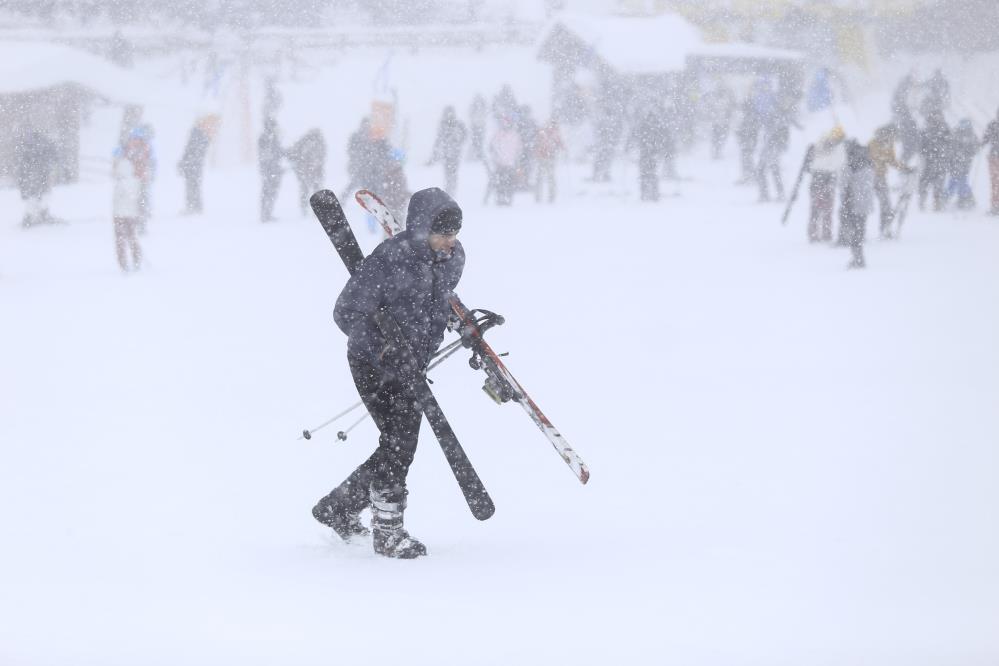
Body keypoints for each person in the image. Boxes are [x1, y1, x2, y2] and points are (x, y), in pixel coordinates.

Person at [312, 187, 466, 559]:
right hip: (372, 364)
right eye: (442, 233)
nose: (449, 241)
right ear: (421, 227)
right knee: (401, 441)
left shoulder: (453, 259)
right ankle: (387, 531)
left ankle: (340, 506)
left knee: (397, 444)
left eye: (454, 233)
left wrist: (463, 324)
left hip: (413, 364)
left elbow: (437, 302)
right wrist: (382, 345)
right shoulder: (390, 259)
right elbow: (346, 312)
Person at [868, 124, 912, 238]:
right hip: (870, 177)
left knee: (886, 204)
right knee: (868, 205)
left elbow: (892, 160)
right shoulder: (873, 143)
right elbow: (874, 158)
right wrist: (883, 158)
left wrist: (905, 167)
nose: (892, 138)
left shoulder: (889, 144)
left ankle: (884, 228)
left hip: (881, 177)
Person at [839, 139, 875, 269]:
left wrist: (845, 202)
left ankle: (857, 259)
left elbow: (843, 186)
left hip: (852, 202)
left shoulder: (850, 165)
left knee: (854, 232)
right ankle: (859, 258)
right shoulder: (868, 162)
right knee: (859, 231)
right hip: (865, 203)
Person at [14, 127, 60, 228]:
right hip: (39, 174)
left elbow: (22, 162)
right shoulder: (43, 146)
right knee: (39, 194)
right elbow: (54, 155)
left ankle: (33, 215)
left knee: (34, 195)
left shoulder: (28, 147)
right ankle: (37, 215)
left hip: (33, 175)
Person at [807, 125, 845, 243]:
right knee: (819, 208)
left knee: (824, 208)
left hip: (826, 177)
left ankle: (823, 233)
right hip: (821, 177)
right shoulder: (821, 145)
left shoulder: (836, 148)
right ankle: (818, 234)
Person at [112, 142, 143, 272]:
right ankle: (136, 258)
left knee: (120, 239)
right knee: (132, 236)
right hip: (132, 214)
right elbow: (137, 199)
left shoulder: (119, 184)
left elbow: (116, 199)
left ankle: (123, 263)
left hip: (119, 214)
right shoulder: (136, 182)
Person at [178, 115, 218, 215]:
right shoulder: (202, 134)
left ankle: (193, 206)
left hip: (193, 163)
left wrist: (185, 161)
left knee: (192, 184)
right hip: (194, 163)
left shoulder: (199, 134)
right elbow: (190, 149)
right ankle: (194, 206)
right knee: (193, 184)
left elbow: (191, 150)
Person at [285, 128, 326, 216]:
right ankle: (314, 209)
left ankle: (307, 209)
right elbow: (321, 156)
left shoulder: (306, 142)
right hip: (308, 171)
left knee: (307, 189)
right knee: (313, 189)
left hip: (306, 171)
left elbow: (293, 153)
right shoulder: (317, 143)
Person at [428, 106, 467, 195]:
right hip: (450, 152)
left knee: (451, 172)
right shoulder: (449, 124)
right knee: (450, 172)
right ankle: (450, 189)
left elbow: (439, 139)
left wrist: (458, 142)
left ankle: (451, 189)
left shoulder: (453, 124)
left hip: (451, 152)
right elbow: (439, 139)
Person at [918, 111, 951, 212]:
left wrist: (945, 152)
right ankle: (922, 201)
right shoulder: (926, 130)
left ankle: (937, 204)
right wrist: (923, 151)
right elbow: (921, 144)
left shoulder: (945, 129)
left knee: (938, 183)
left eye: (938, 117)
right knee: (924, 182)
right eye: (934, 117)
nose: (936, 120)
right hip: (928, 160)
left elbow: (949, 142)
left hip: (940, 160)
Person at [489, 117, 523, 206]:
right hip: (500, 163)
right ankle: (500, 198)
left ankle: (508, 198)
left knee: (509, 182)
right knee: (500, 182)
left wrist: (516, 160)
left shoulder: (515, 135)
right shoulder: (498, 134)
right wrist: (495, 158)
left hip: (510, 164)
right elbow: (492, 148)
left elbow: (519, 150)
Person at [258, 116, 284, 222]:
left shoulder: (269, 138)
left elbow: (276, 153)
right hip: (271, 170)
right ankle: (265, 214)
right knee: (269, 191)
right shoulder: (267, 138)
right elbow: (270, 155)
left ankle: (267, 213)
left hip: (271, 170)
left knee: (270, 192)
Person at [533, 118, 564, 203]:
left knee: (549, 178)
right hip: (543, 158)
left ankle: (551, 196)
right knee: (542, 178)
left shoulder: (554, 133)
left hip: (550, 158)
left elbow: (560, 144)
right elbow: (537, 143)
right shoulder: (543, 133)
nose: (551, 127)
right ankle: (539, 197)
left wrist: (562, 148)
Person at [981, 108, 999, 215]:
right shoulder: (993, 125)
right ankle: (996, 205)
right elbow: (985, 138)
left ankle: (996, 205)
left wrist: (981, 143)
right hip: (994, 156)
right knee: (995, 181)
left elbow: (985, 139)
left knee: (995, 181)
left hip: (994, 156)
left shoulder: (993, 125)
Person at [467, 94, 487, 162]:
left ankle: (477, 155)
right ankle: (474, 156)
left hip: (479, 126)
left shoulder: (481, 107)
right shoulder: (475, 107)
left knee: (479, 142)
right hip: (476, 126)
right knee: (475, 142)